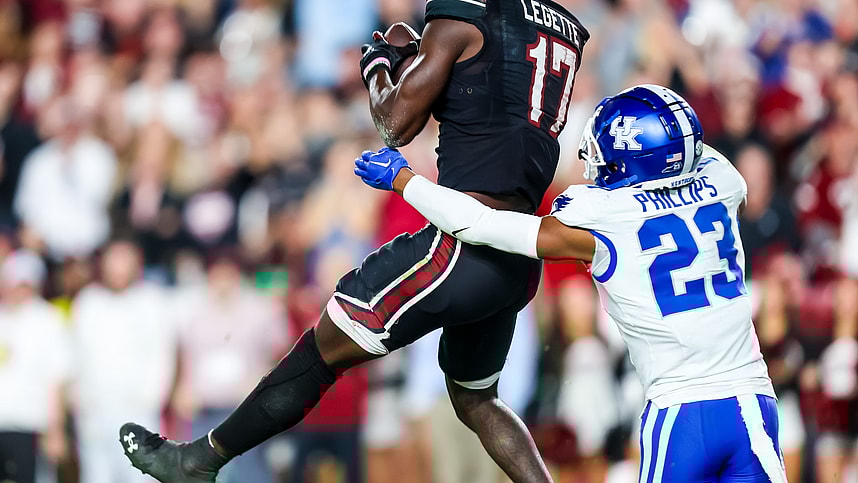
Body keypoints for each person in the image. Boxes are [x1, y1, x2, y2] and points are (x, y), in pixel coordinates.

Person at [119, 1, 590, 483]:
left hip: (458, 244)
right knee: (477, 398)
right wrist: (420, 62)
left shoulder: (464, 11)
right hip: (517, 250)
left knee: (321, 352)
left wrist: (380, 68)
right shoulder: (562, 28)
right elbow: (492, 104)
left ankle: (198, 460)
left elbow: (395, 125)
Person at [354, 84, 786, 483]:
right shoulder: (725, 180)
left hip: (681, 413)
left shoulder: (601, 219)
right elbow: (689, 157)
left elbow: (480, 224)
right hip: (753, 402)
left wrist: (405, 181)